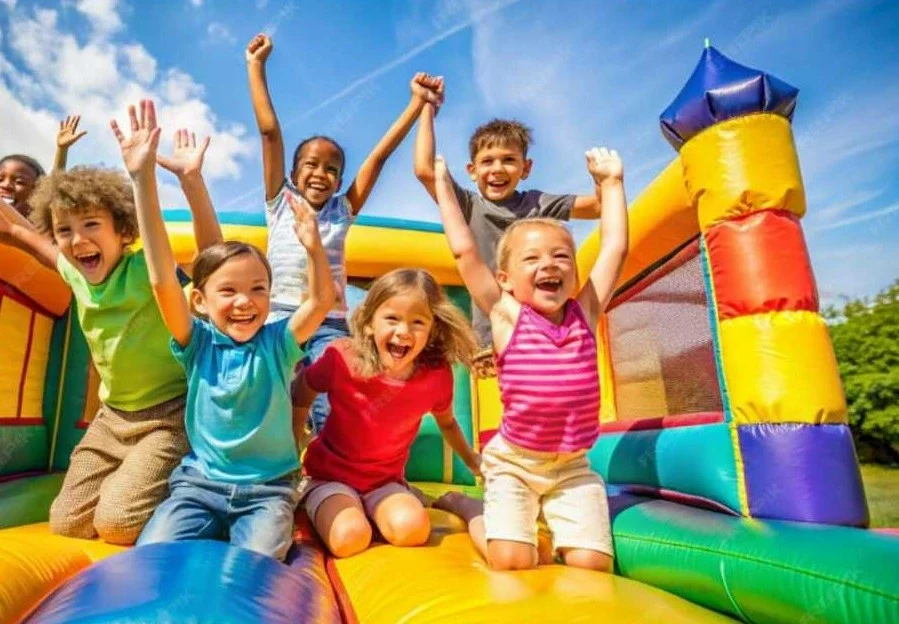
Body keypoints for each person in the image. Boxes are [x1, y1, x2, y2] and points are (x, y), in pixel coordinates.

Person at [124, 99, 334, 560]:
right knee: (151, 556)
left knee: (256, 565)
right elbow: (162, 277)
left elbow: (320, 302)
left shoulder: (277, 343)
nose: (245, 302)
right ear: (199, 301)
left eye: (259, 289)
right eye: (229, 292)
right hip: (199, 486)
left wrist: (315, 250)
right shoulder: (197, 342)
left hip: (267, 492)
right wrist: (143, 179)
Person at [0, 114, 222, 546]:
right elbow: (19, 231)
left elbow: (214, 259)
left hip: (168, 417)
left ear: (123, 232)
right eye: (65, 230)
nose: (77, 239)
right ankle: (138, 479)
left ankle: (190, 490)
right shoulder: (74, 271)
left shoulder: (143, 268)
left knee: (118, 522)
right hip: (111, 419)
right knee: (66, 523)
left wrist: (188, 182)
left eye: (91, 226)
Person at [430, 148, 628, 572]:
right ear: (505, 279)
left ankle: (545, 520)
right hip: (515, 463)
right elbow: (465, 253)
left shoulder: (584, 313)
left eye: (561, 257)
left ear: (574, 272)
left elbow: (614, 247)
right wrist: (444, 189)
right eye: (532, 259)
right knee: (512, 559)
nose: (549, 265)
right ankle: (471, 509)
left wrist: (611, 184)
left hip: (572, 466)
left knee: (591, 563)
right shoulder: (506, 315)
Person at [245, 33, 443, 434]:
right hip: (282, 314)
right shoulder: (280, 202)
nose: (321, 174)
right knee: (273, 389)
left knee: (329, 393)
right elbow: (269, 133)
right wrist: (256, 67)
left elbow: (379, 157)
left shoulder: (342, 209)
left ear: (339, 180)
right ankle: (275, 464)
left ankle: (323, 469)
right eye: (311, 165)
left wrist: (416, 104)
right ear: (294, 171)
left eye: (332, 169)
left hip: (331, 321)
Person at [294, 268, 480, 558]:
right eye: (392, 319)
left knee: (413, 531)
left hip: (384, 483)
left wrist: (473, 461)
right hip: (330, 477)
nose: (403, 332)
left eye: (418, 322)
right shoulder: (343, 357)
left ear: (433, 330)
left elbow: (448, 424)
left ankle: (437, 500)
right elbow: (302, 391)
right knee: (349, 539)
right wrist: (293, 451)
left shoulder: (435, 377)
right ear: (369, 322)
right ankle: (330, 505)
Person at [414, 98, 606, 376]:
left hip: (545, 330)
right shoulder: (468, 205)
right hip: (494, 332)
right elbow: (424, 170)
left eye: (509, 160)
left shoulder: (537, 203)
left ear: (525, 168)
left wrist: (603, 179)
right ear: (472, 171)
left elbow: (598, 207)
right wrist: (427, 108)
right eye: (487, 161)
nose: (497, 169)